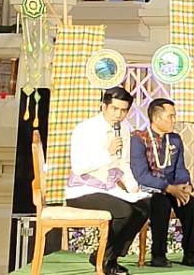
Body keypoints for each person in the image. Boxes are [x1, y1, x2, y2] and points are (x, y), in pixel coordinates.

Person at [66, 87, 151, 275]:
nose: (118, 115)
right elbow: (79, 167)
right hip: (83, 190)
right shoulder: (85, 129)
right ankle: (106, 260)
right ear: (103, 106)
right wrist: (108, 153)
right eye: (114, 109)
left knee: (143, 207)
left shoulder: (125, 128)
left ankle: (107, 256)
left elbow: (124, 163)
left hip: (109, 189)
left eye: (123, 111)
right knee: (124, 211)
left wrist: (132, 186)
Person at [131, 98, 194, 267]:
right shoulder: (138, 139)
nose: (174, 120)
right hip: (150, 190)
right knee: (160, 204)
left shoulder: (175, 139)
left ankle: (190, 253)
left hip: (173, 187)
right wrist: (168, 188)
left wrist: (184, 185)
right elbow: (141, 175)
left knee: (190, 203)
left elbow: (180, 168)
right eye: (171, 116)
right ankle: (158, 255)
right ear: (156, 118)